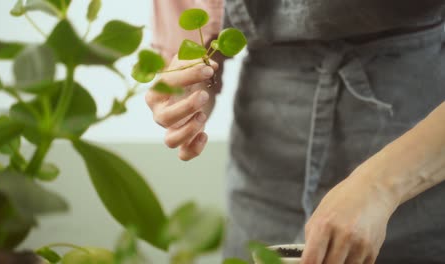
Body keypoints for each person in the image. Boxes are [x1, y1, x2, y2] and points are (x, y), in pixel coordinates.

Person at [150, 1, 445, 263]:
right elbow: (198, 39)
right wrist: (188, 89)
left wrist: (381, 186)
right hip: (263, 186)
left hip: (418, 173)